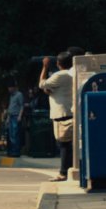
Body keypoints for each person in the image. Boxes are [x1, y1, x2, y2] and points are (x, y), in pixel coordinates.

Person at [39, 52, 74, 182]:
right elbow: (51, 89)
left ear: (59, 64)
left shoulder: (60, 75)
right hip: (70, 111)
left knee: (64, 144)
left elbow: (42, 84)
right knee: (68, 145)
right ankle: (68, 170)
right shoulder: (72, 74)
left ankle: (63, 172)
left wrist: (45, 67)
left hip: (62, 113)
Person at [6, 83, 25, 157]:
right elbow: (10, 107)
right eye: (8, 88)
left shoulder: (19, 95)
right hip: (11, 116)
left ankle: (16, 152)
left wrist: (20, 116)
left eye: (10, 87)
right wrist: (8, 118)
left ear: (14, 87)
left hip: (16, 116)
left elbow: (22, 106)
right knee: (11, 135)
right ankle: (11, 151)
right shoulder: (11, 96)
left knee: (15, 134)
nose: (9, 89)